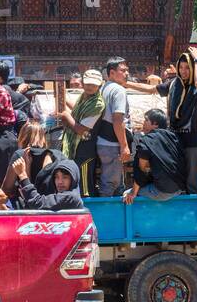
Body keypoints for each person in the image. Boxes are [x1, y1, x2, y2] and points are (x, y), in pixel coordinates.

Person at [161, 48, 197, 192]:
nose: (183, 71)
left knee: (192, 174)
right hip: (175, 136)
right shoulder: (174, 83)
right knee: (175, 169)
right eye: (181, 67)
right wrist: (126, 84)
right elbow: (151, 89)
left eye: (187, 67)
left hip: (191, 137)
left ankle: (192, 199)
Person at [59, 69, 105, 195]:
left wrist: (66, 116)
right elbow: (79, 112)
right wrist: (62, 99)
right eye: (88, 84)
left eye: (94, 85)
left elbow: (81, 130)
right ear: (83, 83)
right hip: (78, 148)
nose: (90, 87)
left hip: (85, 149)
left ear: (100, 85)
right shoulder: (84, 96)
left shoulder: (97, 104)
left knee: (85, 188)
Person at [94, 57, 133, 197]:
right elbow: (117, 120)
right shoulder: (118, 90)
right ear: (111, 73)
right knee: (110, 184)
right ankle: (104, 216)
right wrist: (124, 145)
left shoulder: (104, 88)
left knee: (115, 183)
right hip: (112, 145)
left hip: (103, 141)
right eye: (122, 70)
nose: (126, 73)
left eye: (127, 70)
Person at [124, 123, 187, 203]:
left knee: (126, 193)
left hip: (164, 192)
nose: (143, 124)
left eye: (147, 120)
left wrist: (133, 193)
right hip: (179, 189)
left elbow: (141, 171)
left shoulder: (146, 141)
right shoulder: (172, 137)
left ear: (156, 125)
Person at [1, 122, 65, 200]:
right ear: (43, 138)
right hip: (51, 202)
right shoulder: (55, 155)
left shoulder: (20, 154)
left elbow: (7, 189)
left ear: (22, 137)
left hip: (27, 205)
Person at [11, 154, 84, 211]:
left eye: (65, 177)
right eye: (57, 177)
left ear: (74, 179)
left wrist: (22, 175)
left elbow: (37, 203)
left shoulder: (71, 197)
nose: (60, 181)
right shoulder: (63, 195)